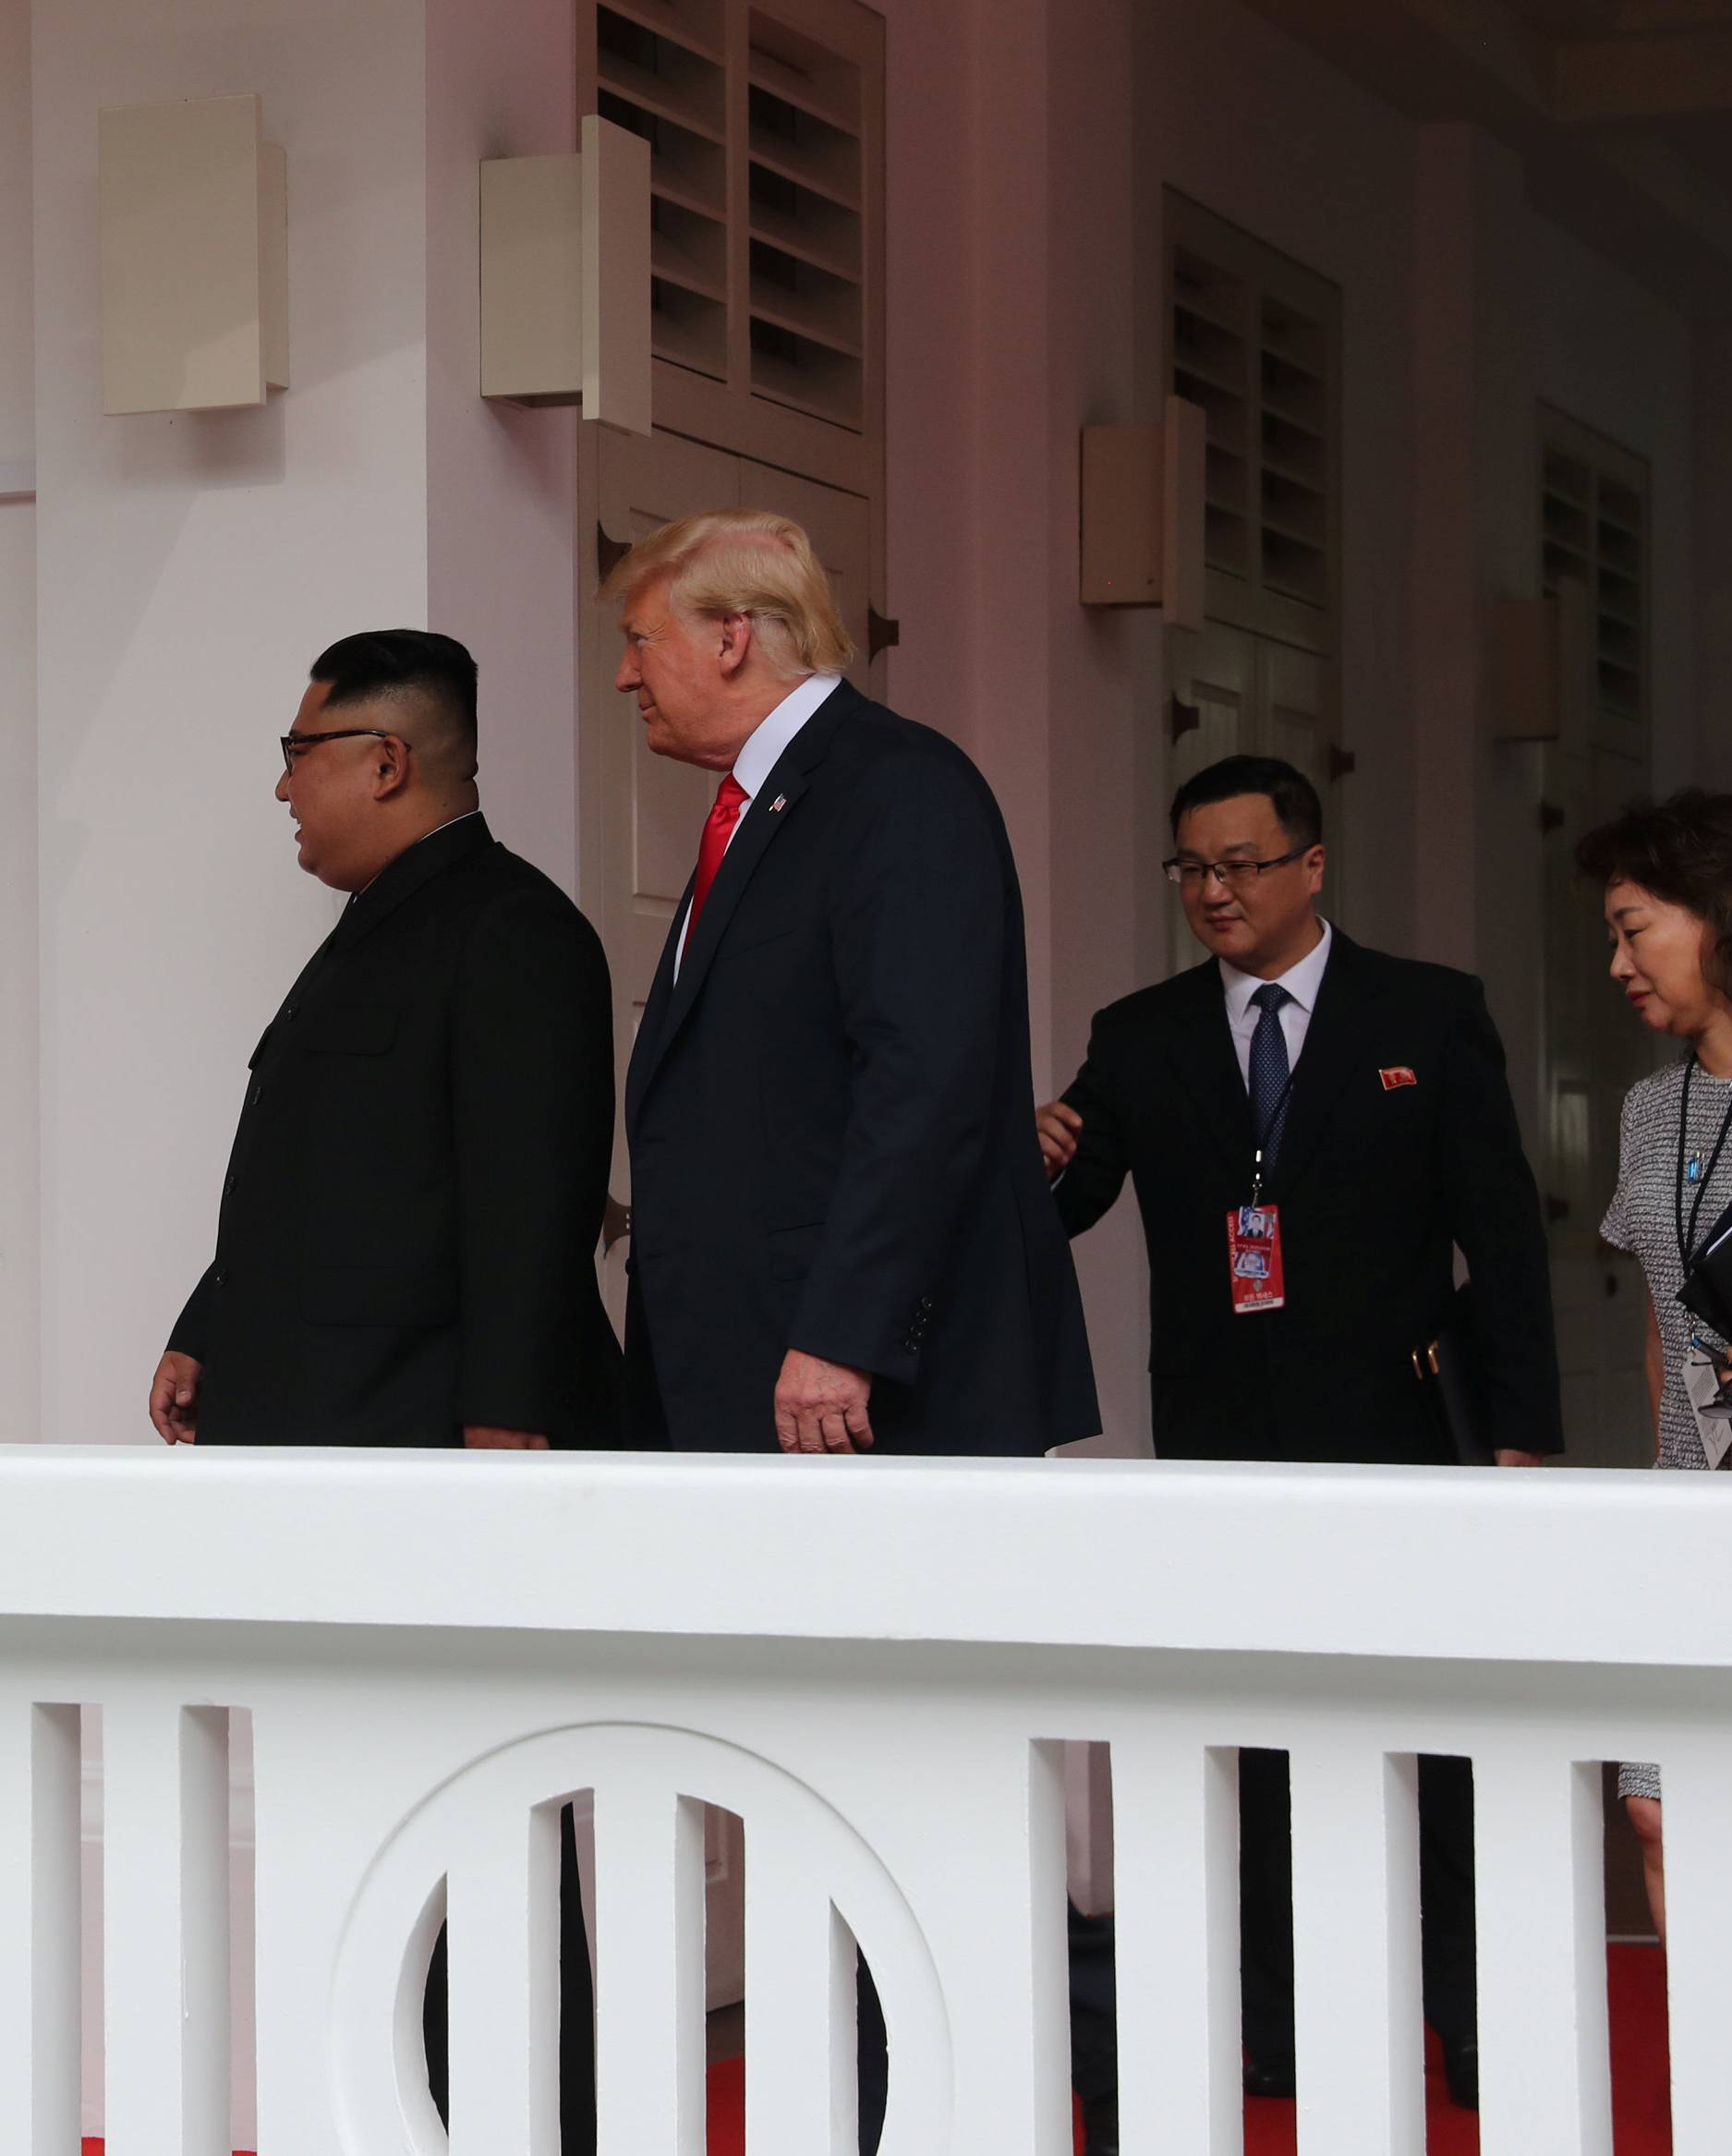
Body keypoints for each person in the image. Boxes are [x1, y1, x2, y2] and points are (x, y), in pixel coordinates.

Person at [602, 508, 1100, 2150]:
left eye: (643, 640)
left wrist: (842, 1331)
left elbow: (927, 1081)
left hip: (871, 1397)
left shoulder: (900, 790)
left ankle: (947, 2113)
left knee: (908, 1788)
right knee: (812, 1775)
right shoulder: (766, 809)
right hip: (777, 1395)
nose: (627, 674)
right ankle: (855, 2107)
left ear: (733, 636)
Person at [147, 627, 621, 2147]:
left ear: (385, 758)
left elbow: (527, 1204)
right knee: (367, 1815)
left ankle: (527, 2119)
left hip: (437, 1455)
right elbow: (333, 1179)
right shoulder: (379, 923)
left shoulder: (509, 928)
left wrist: (504, 1429)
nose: (281, 785)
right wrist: (206, 1318)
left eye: (299, 750)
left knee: (480, 1814)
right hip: (334, 1456)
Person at [1037, 754, 1563, 2116]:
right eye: (1192, 870)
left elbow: (1501, 1234)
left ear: (1310, 865)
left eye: (1242, 865)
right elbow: (1066, 1210)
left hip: (1397, 1427)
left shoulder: (1427, 1015)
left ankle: (1463, 2010)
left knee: (1432, 1735)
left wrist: (1523, 1434)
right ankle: (1267, 2018)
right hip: (1219, 1437)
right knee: (1251, 1734)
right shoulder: (1142, 1032)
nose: (1214, 893)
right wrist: (1020, 1163)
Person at [1580, 789, 1732, 1942]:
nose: (1617, 963)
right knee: (1661, 1815)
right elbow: (1663, 1328)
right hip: (1694, 1531)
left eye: (1632, 926)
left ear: (1722, 916)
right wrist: (1668, 1513)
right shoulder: (1651, 1112)